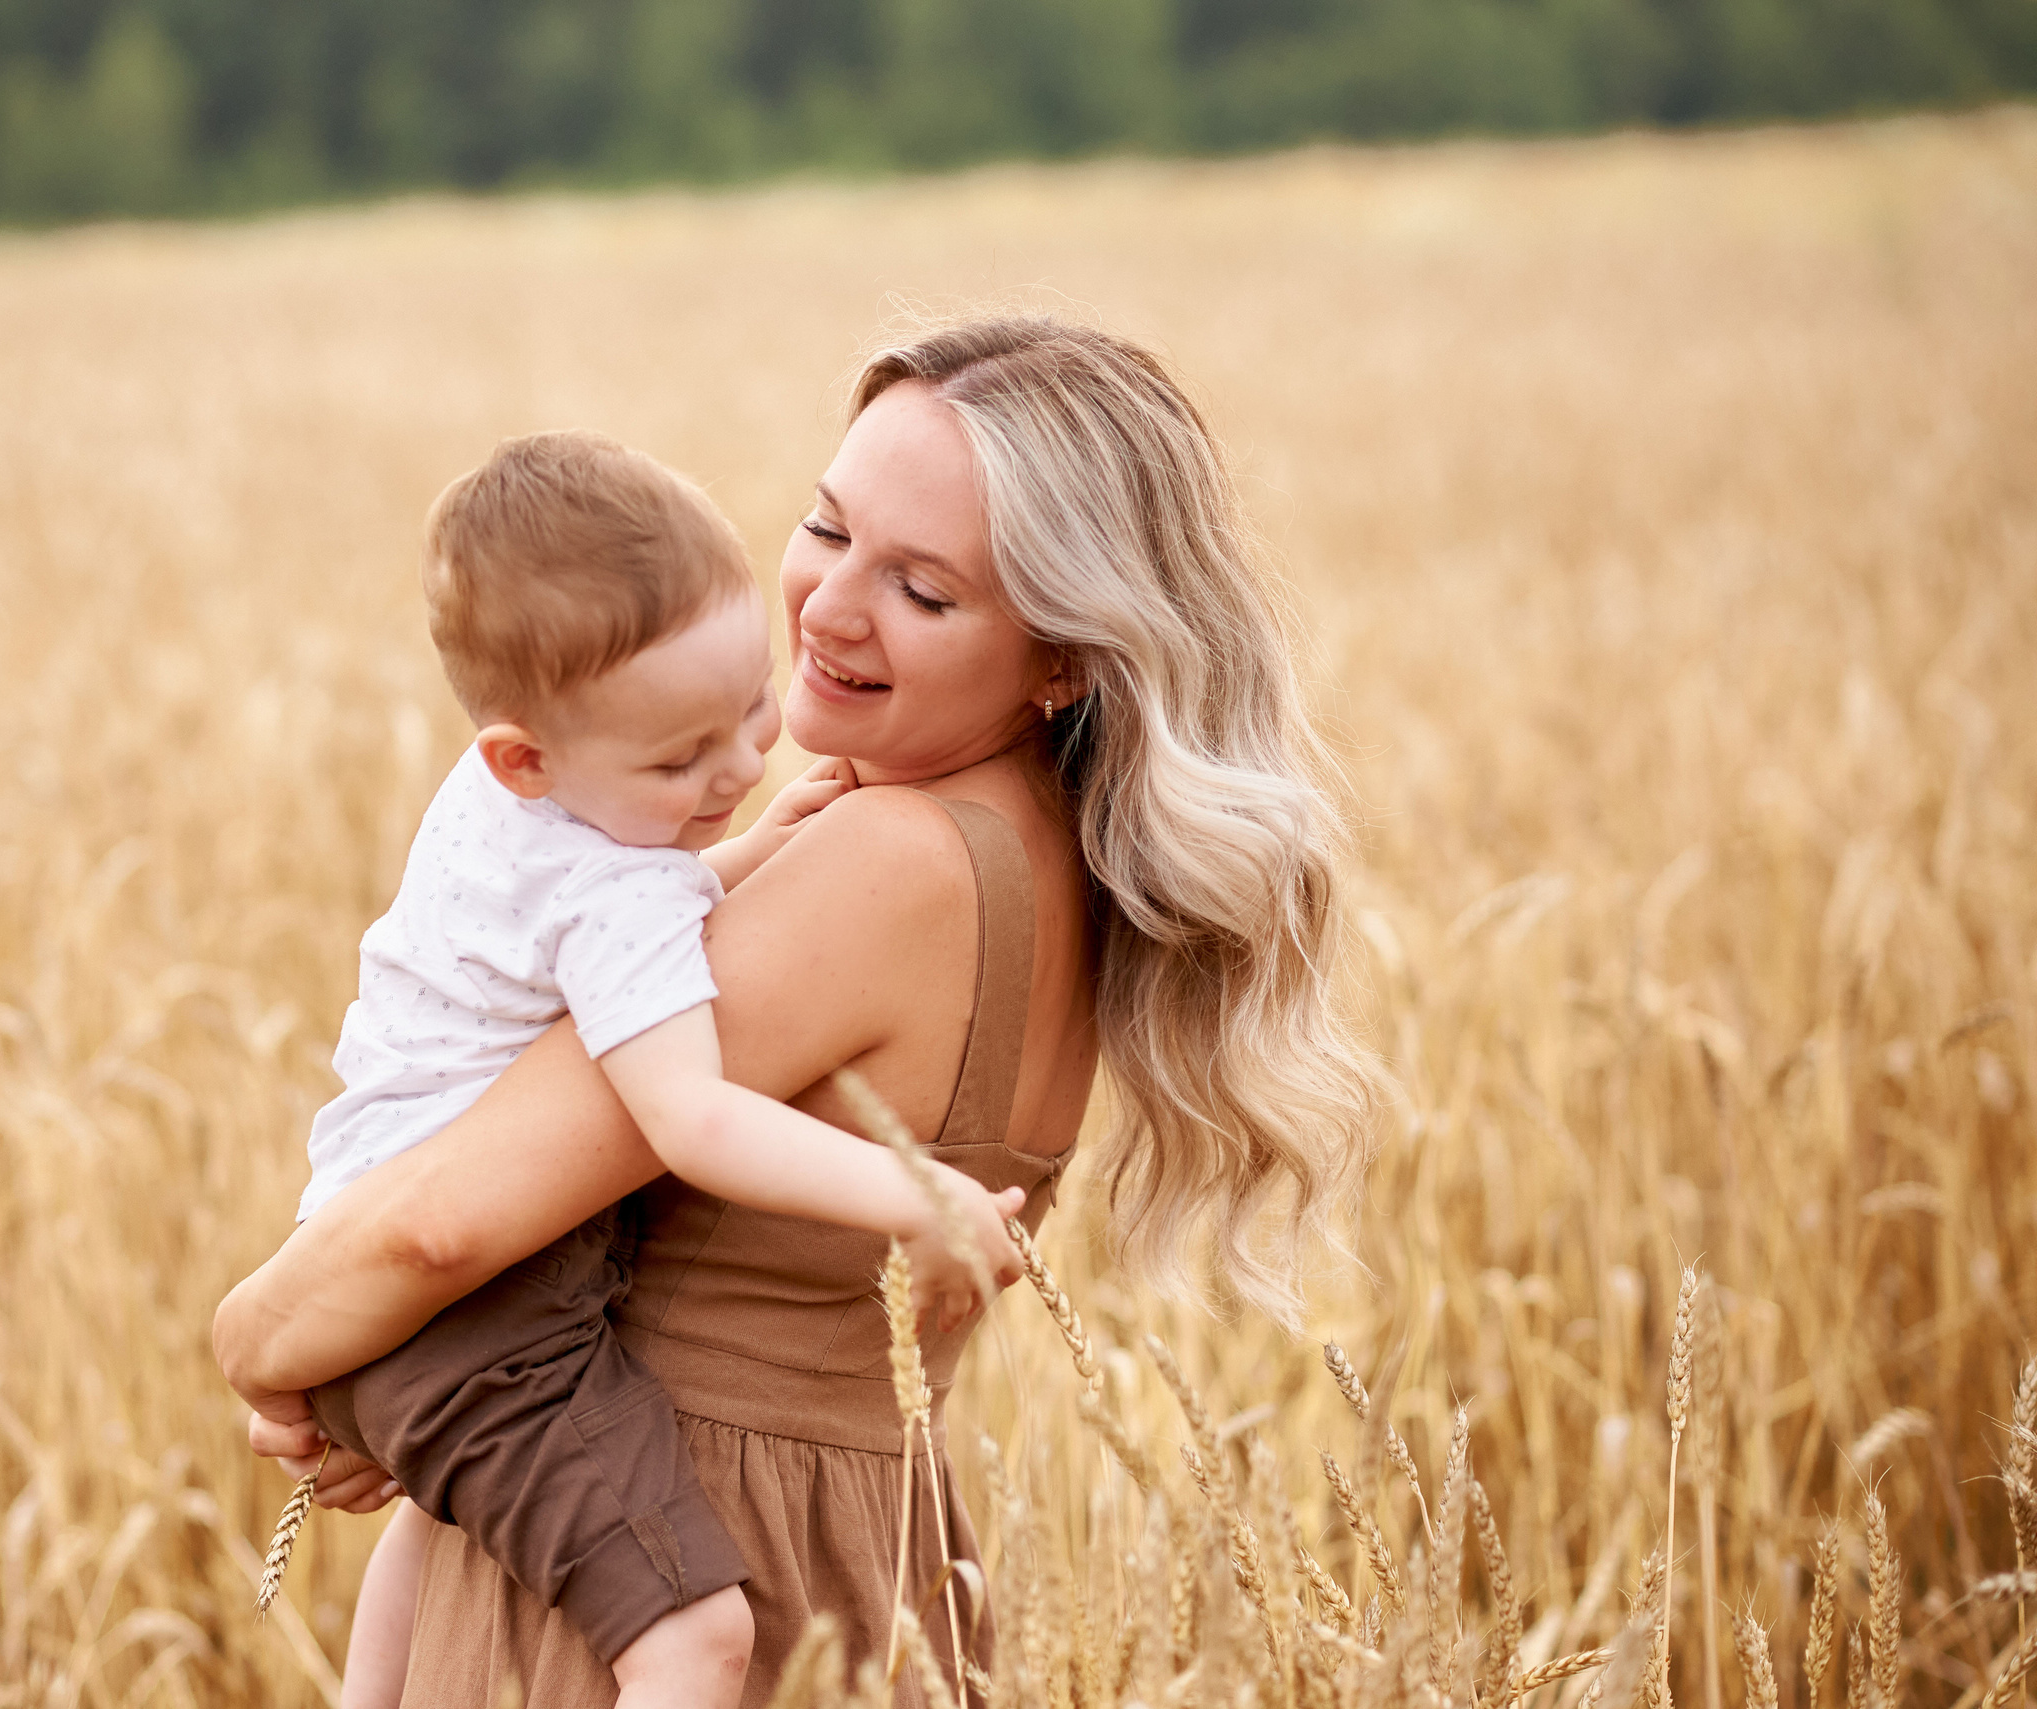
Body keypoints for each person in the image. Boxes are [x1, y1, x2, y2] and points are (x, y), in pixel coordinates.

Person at [213, 314, 1377, 1705]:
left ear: (1066, 657)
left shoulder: (890, 868)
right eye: (828, 528)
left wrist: (266, 1347)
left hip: (656, 1583)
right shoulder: (1041, 861)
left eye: (925, 592)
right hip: (856, 1556)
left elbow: (440, 1219)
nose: (827, 608)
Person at [273, 428, 1026, 1709]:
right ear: (525, 753)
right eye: (684, 760)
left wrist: (730, 856)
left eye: (747, 715)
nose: (739, 771)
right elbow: (693, 1118)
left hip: (374, 1244)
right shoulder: (617, 877)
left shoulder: (530, 794)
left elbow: (608, 931)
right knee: (694, 1642)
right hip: (472, 1295)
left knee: (446, 1522)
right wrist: (917, 1193)